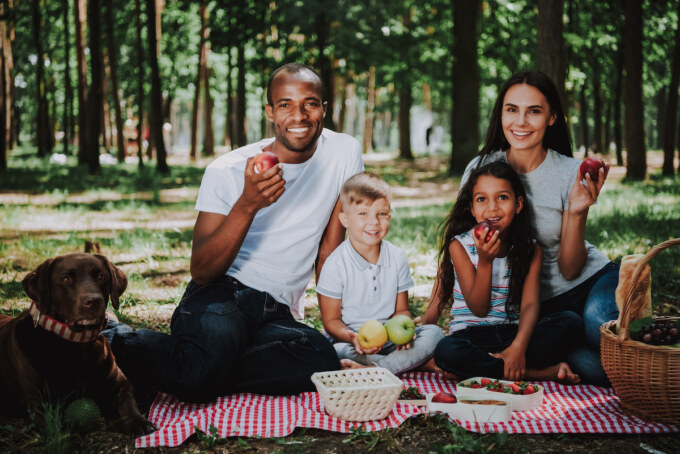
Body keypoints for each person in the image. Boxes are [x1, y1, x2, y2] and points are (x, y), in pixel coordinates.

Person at [104, 63, 364, 403]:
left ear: (324, 109)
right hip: (223, 295)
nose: (299, 115)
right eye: (285, 104)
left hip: (278, 311)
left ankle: (199, 364)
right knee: (200, 376)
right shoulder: (226, 170)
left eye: (310, 103)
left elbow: (329, 250)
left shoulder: (344, 152)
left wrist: (340, 319)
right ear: (270, 111)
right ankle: (112, 336)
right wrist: (248, 203)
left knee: (320, 358)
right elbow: (203, 270)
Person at [458, 70, 619, 386]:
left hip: (589, 282)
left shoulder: (569, 172)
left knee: (597, 324)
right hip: (541, 308)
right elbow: (460, 244)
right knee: (598, 371)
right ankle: (570, 351)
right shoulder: (480, 171)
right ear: (501, 113)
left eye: (534, 111)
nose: (520, 122)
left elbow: (571, 270)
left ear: (552, 117)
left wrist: (576, 211)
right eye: (511, 109)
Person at [424, 161, 582, 383]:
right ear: (471, 208)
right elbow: (479, 309)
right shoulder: (459, 247)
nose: (492, 208)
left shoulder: (530, 249)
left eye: (502, 197)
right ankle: (533, 373)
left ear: (518, 204)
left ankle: (492, 367)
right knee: (446, 351)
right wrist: (485, 261)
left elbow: (529, 305)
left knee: (570, 322)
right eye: (482, 199)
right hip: (470, 337)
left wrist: (517, 347)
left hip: (513, 334)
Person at [317, 172, 444, 374]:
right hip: (354, 342)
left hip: (390, 339)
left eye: (381, 214)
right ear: (345, 219)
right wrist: (352, 337)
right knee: (338, 351)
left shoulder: (396, 257)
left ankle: (378, 368)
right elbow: (331, 321)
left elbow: (401, 310)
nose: (374, 222)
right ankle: (412, 363)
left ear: (389, 216)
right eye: (362, 214)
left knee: (434, 333)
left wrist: (405, 329)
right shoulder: (335, 264)